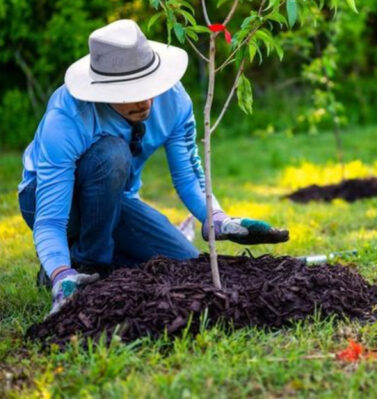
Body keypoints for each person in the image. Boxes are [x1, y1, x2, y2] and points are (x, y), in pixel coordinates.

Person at [17, 19, 288, 315]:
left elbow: (188, 175)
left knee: (184, 261)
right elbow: (50, 219)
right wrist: (60, 274)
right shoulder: (68, 117)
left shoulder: (173, 100)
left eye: (149, 86)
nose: (145, 100)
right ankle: (82, 265)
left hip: (116, 200)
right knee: (112, 153)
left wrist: (218, 219)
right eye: (129, 91)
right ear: (102, 90)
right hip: (50, 202)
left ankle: (92, 257)